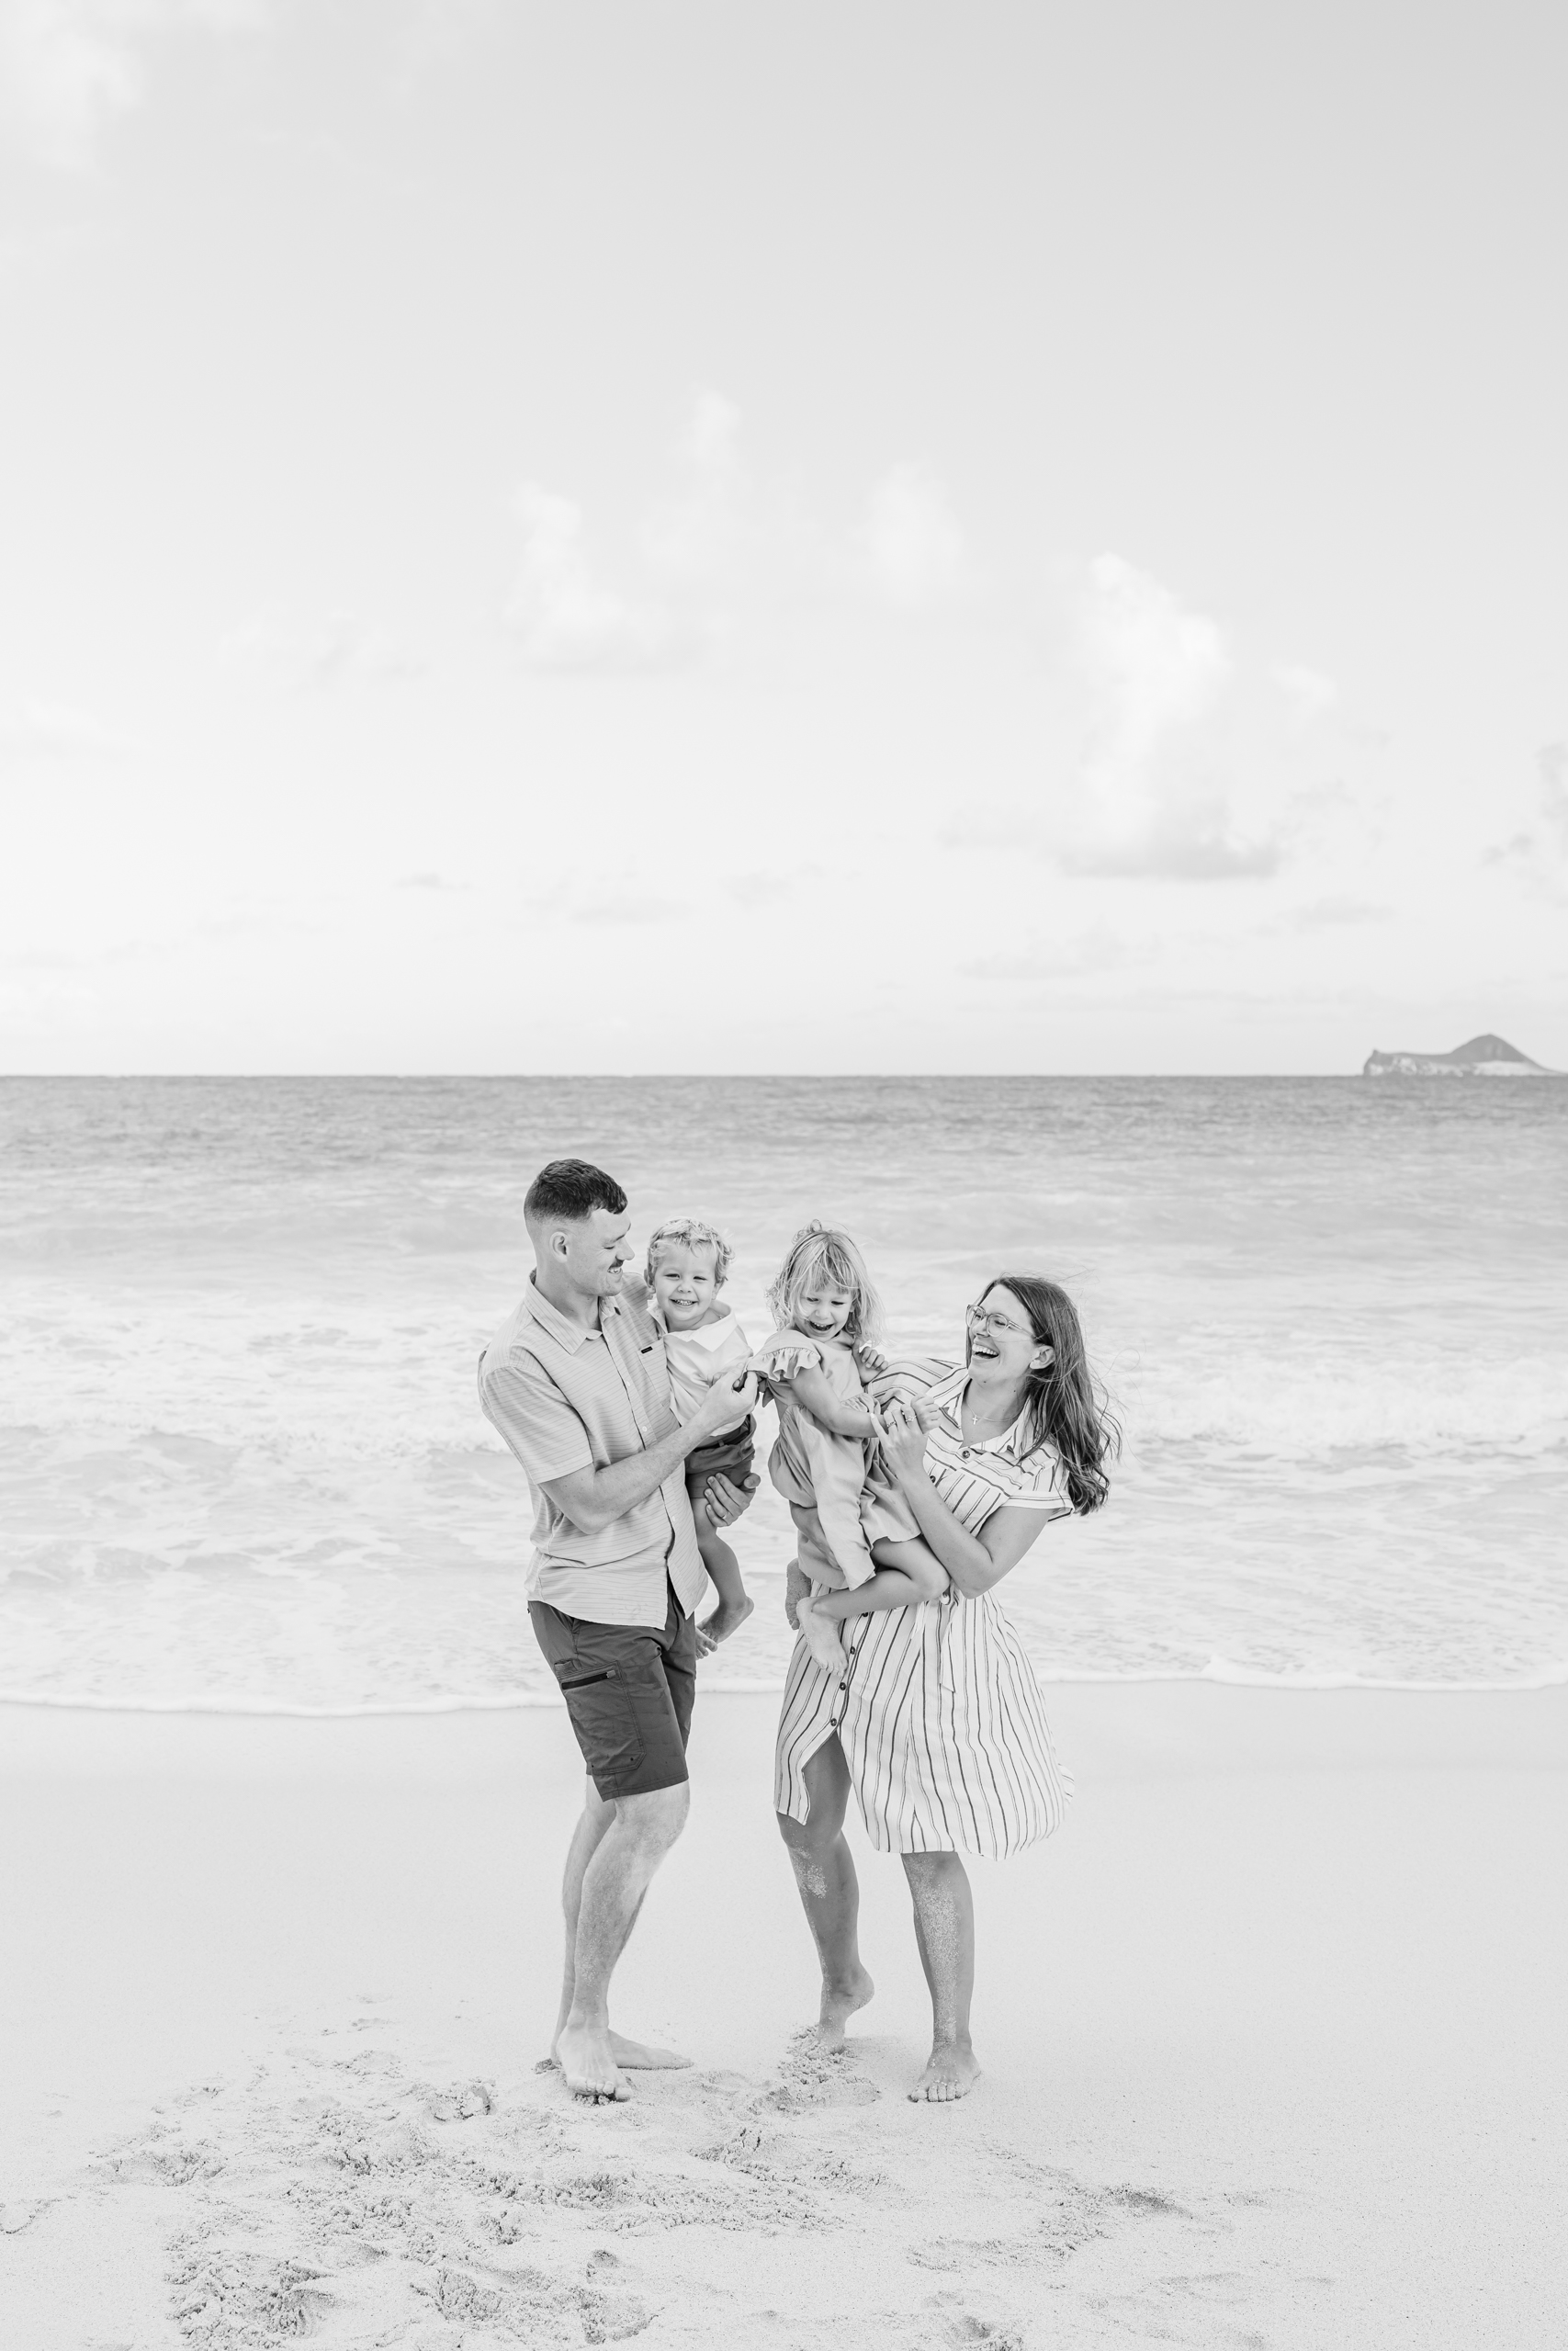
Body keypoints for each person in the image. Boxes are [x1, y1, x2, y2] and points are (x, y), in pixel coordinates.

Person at [773, 1275, 1117, 2104]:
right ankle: (842, 1982)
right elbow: (823, 1425)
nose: (978, 1327)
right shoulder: (916, 1383)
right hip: (841, 1616)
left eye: (1000, 1320)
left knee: (924, 1847)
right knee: (801, 1820)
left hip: (936, 1651)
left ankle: (952, 2044)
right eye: (977, 1312)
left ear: (1041, 1352)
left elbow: (976, 1570)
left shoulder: (1041, 1455)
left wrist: (913, 1474)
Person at [478, 1159, 758, 2104]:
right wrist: (693, 1437)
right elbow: (592, 1503)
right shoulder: (519, 1363)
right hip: (594, 1604)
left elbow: (704, 1327)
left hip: (670, 1587)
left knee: (611, 1808)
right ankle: (584, 2026)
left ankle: (580, 2017)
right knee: (655, 1810)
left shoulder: (628, 1305)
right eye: (611, 1246)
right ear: (560, 1243)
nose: (630, 1262)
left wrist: (728, 1469)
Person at [750, 1223, 937, 1667]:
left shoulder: (840, 1346)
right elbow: (834, 1417)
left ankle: (808, 1567)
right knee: (927, 1578)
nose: (822, 1313)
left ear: (854, 1302)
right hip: (823, 1472)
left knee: (906, 1547)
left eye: (836, 1301)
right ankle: (819, 1610)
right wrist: (897, 1421)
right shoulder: (793, 1350)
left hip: (847, 1468)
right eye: (811, 1298)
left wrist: (865, 1380)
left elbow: (845, 1399)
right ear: (787, 1292)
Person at [640, 1215, 756, 1654]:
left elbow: (739, 1402)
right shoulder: (654, 1319)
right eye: (672, 1276)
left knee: (697, 1530)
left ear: (717, 1285)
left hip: (720, 1448)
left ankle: (735, 1602)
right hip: (688, 1442)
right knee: (669, 1526)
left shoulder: (724, 1345)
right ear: (651, 1280)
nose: (684, 1288)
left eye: (698, 1279)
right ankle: (674, 1617)